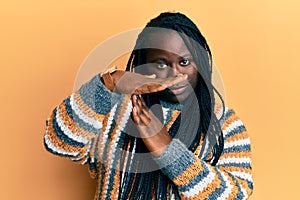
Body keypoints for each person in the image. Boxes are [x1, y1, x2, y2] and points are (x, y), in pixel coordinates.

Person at [44, 12, 253, 199]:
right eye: (161, 63)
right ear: (144, 63)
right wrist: (110, 84)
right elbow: (59, 142)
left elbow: (236, 195)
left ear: (200, 63)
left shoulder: (224, 124)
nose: (175, 74)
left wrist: (168, 151)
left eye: (185, 62)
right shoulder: (114, 110)